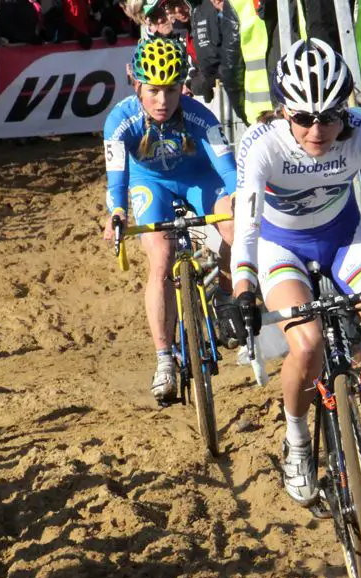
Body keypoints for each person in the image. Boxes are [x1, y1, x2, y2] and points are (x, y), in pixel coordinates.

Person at [230, 38, 361, 541]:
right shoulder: (263, 145)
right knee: (308, 343)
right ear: (283, 111)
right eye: (303, 118)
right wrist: (243, 288)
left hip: (345, 240)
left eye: (328, 118)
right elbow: (247, 229)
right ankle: (298, 442)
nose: (317, 130)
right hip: (281, 249)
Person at [102, 37, 237, 403]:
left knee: (233, 226)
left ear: (183, 87)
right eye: (154, 91)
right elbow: (118, 180)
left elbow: (229, 172)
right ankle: (164, 358)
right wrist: (116, 213)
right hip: (152, 183)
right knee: (160, 261)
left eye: (172, 90)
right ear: (137, 86)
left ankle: (224, 296)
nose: (163, 102)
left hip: (198, 178)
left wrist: (237, 199)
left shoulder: (198, 115)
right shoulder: (120, 120)